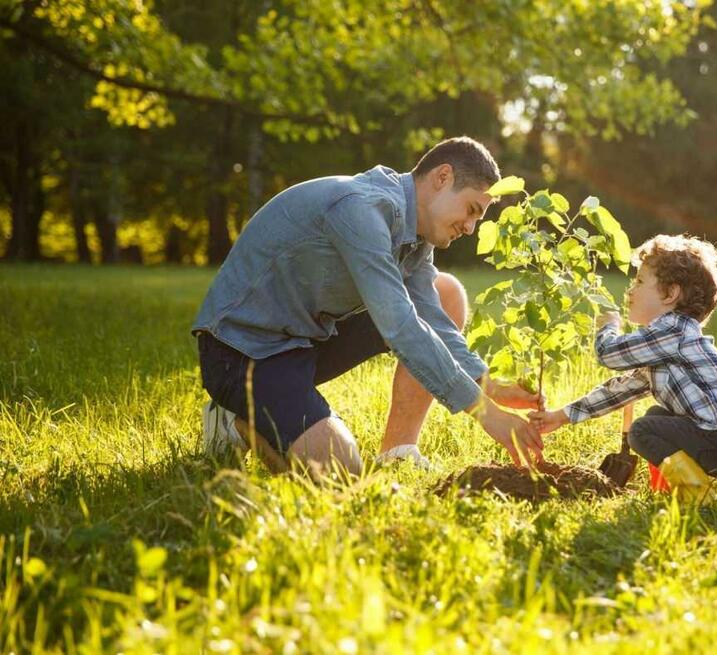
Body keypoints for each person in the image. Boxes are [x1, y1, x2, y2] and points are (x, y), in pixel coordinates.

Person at [192, 137, 544, 478]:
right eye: (471, 211)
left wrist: (488, 385)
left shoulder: (417, 237)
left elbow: (433, 320)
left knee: (445, 293)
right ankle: (235, 422)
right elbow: (401, 326)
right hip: (242, 352)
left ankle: (398, 452)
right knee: (340, 473)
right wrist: (486, 414)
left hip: (305, 340)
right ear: (442, 177)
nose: (469, 228)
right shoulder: (361, 209)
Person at [528, 234, 717, 502]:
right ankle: (669, 491)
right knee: (656, 415)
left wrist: (608, 326)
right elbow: (620, 391)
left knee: (642, 431)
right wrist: (560, 416)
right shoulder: (667, 344)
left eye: (639, 281)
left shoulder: (673, 330)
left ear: (671, 294)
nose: (630, 290)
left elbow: (609, 354)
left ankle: (699, 497)